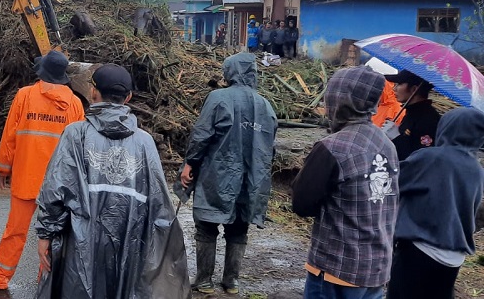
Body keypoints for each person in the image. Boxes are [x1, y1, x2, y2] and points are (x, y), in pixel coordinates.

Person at [35, 64, 189, 298]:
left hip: (81, 240)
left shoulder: (76, 134)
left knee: (80, 287)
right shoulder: (144, 142)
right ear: (128, 97)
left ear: (93, 92)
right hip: (131, 239)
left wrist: (45, 234)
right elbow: (159, 202)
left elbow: (56, 189)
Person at [291, 66, 398, 299]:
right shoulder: (387, 144)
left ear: (340, 100)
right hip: (376, 267)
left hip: (336, 269)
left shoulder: (333, 147)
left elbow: (302, 204)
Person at [0, 51, 84, 291]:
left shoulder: (25, 96)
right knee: (54, 232)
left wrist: (3, 168)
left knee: (15, 231)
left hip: (26, 176)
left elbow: (10, 136)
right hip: (58, 184)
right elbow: (78, 148)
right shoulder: (74, 103)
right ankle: (45, 280)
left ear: (42, 72)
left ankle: (0, 276)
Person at [180, 52, 277, 294]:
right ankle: (231, 281)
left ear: (229, 72)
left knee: (206, 226)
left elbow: (202, 135)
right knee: (238, 227)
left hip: (217, 172)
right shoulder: (266, 105)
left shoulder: (217, 98)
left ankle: (204, 280)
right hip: (252, 176)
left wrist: (190, 163)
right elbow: (270, 146)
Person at [387, 107, 484, 299]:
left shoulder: (431, 157)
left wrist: (388, 140)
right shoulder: (477, 169)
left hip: (420, 249)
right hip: (454, 258)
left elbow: (391, 182)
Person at [384, 69, 441, 161]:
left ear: (414, 89)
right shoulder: (411, 113)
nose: (394, 88)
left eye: (399, 84)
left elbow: (421, 159)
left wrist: (396, 137)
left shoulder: (428, 119)